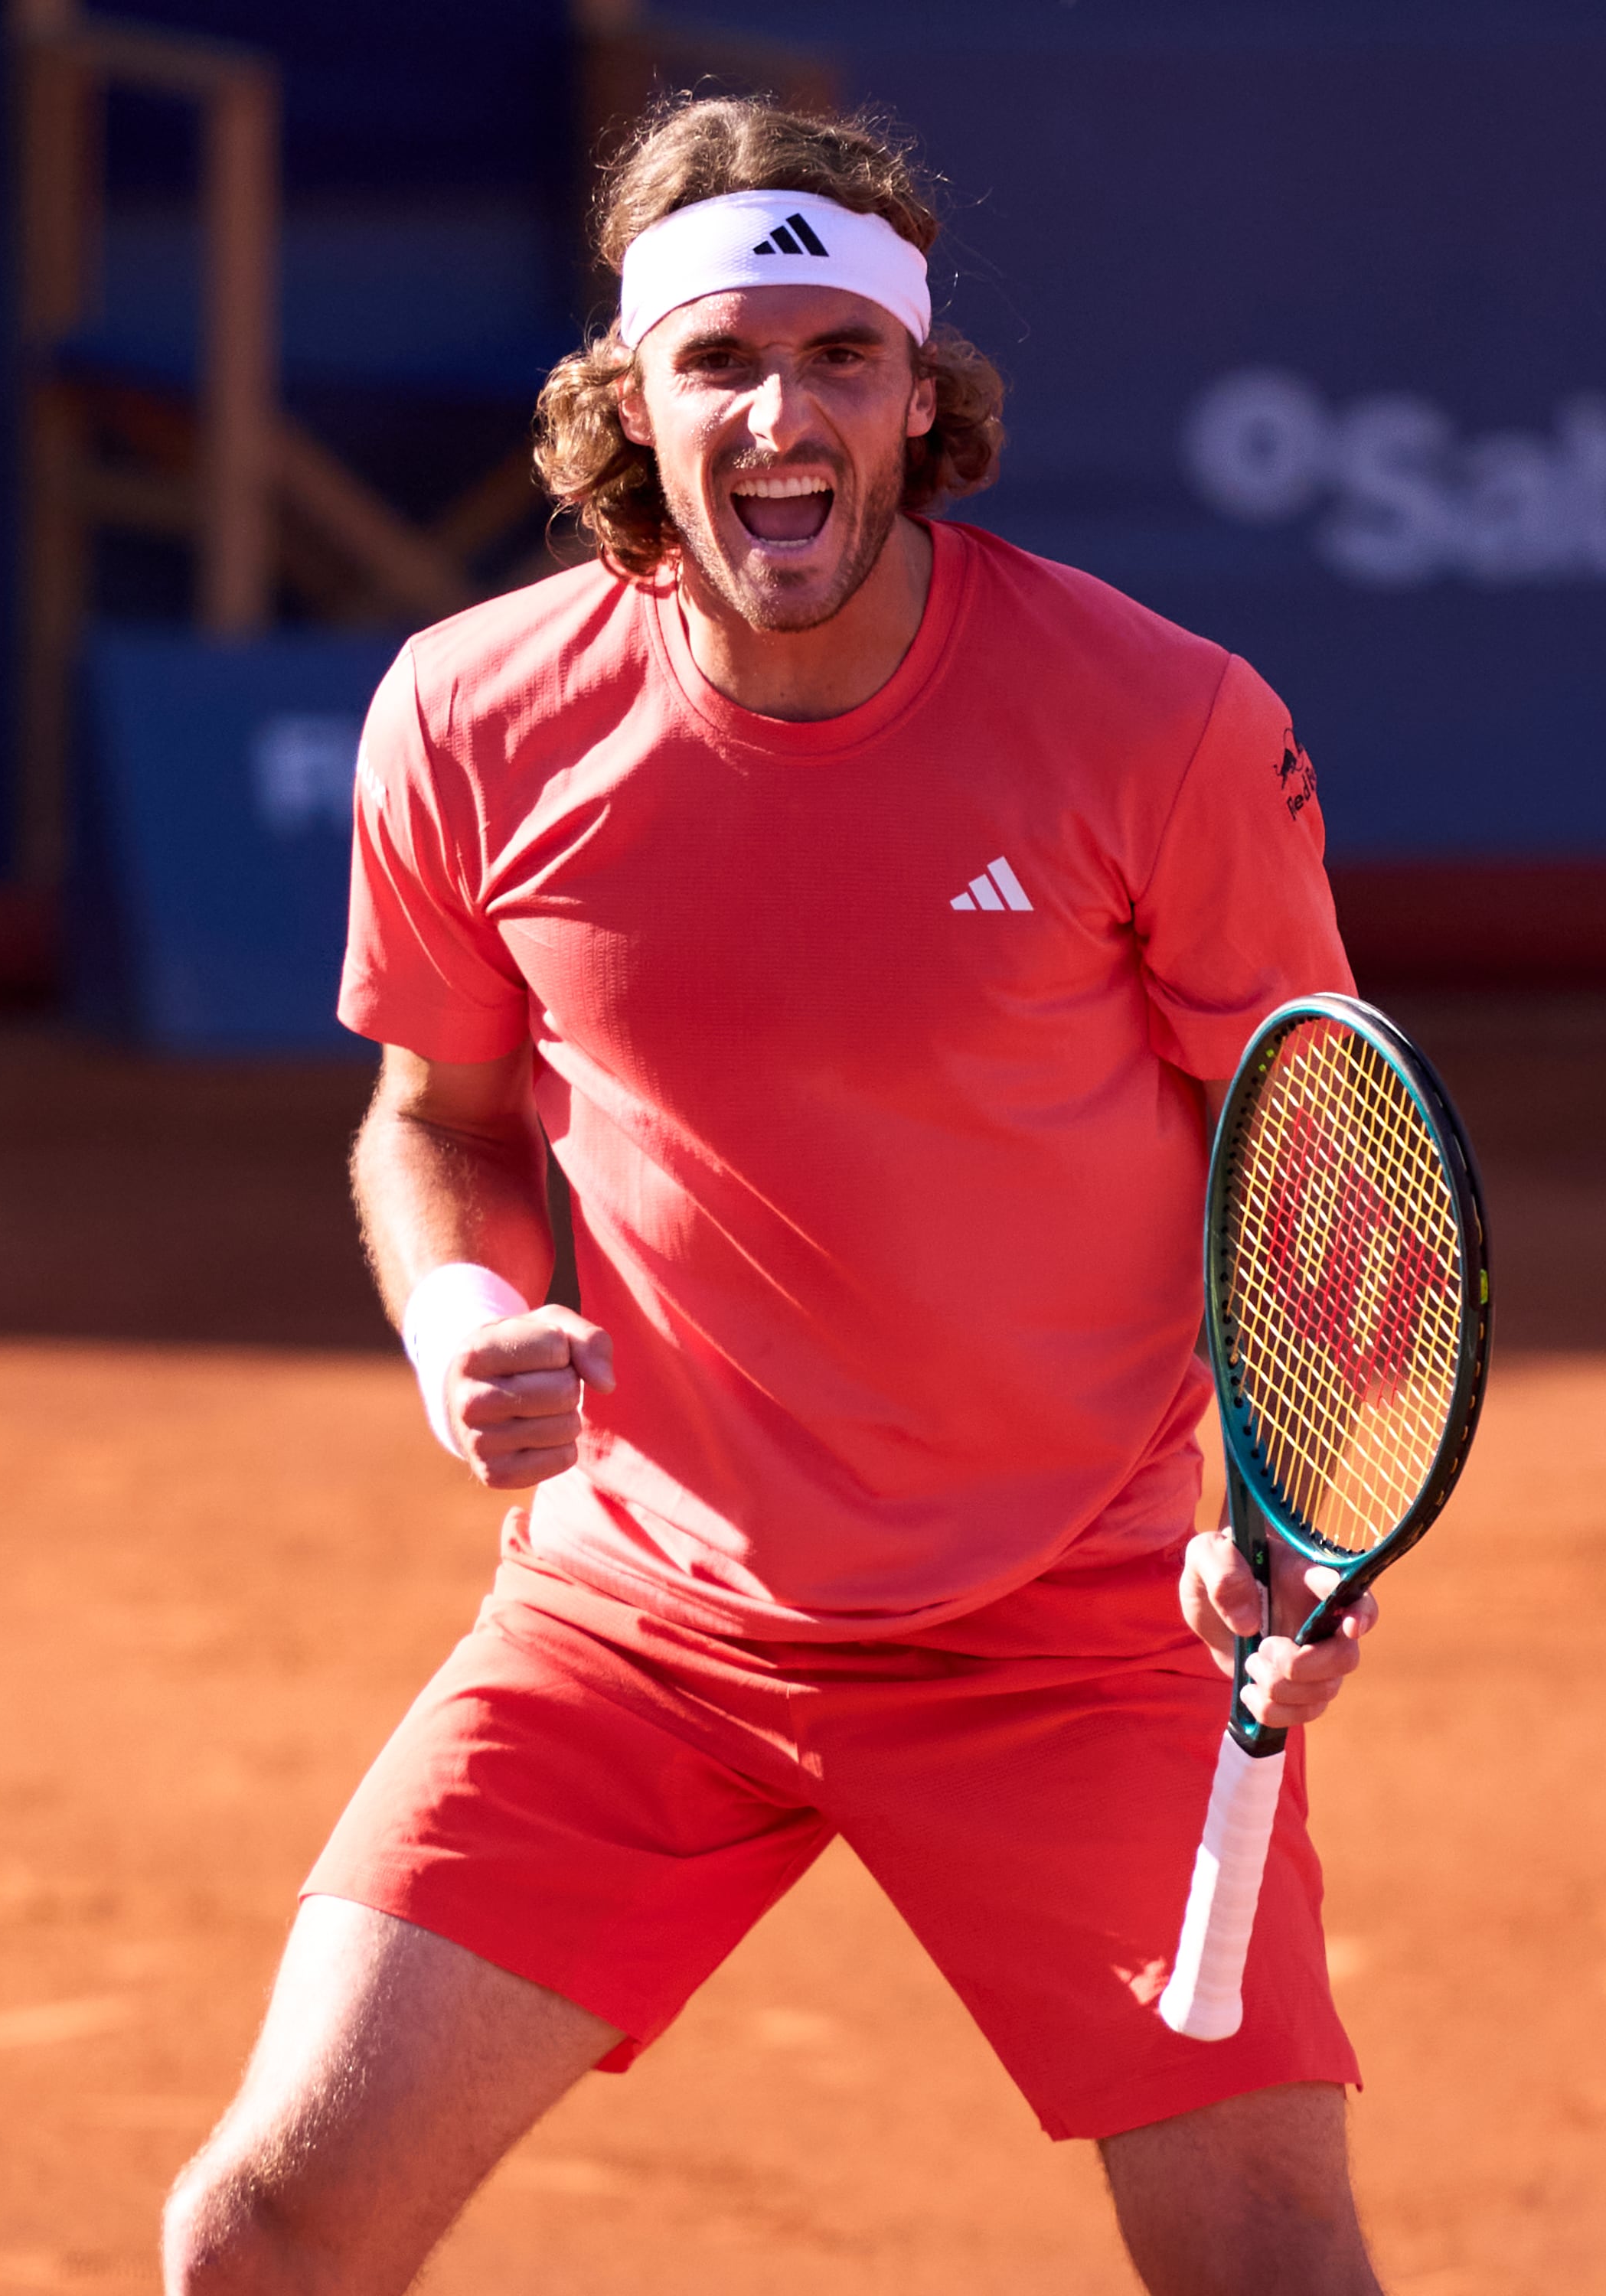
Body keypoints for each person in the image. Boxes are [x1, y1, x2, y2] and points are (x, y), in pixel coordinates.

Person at [163, 96, 1383, 2296]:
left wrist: (1287, 1521)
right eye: (722, 358)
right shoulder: (468, 718)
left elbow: (1311, 1152)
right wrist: (458, 1330)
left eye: (840, 357)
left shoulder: (1157, 723)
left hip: (1074, 1633)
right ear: (633, 404)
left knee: (1268, 2275)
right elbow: (434, 1119)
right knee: (259, 2231)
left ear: (920, 403)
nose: (782, 411)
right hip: (636, 1628)